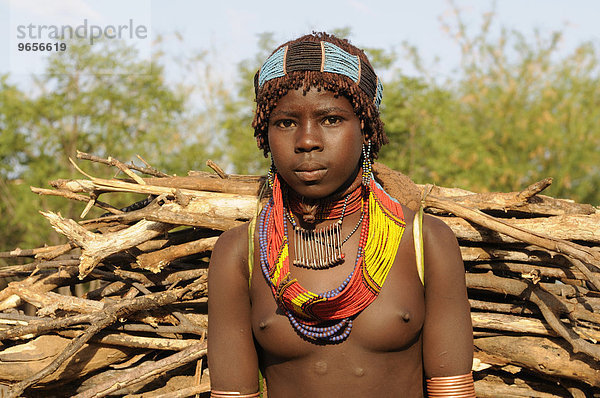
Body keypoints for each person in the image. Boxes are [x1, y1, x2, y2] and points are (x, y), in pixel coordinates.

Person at [208, 32, 474, 397]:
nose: (306, 141)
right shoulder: (241, 253)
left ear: (365, 128)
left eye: (330, 119)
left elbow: (452, 392)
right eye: (285, 123)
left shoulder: (424, 242)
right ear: (264, 135)